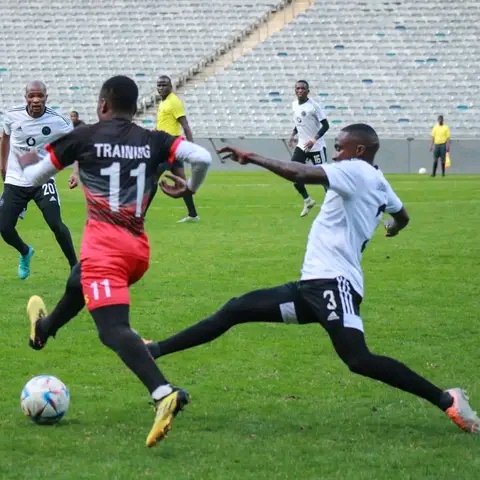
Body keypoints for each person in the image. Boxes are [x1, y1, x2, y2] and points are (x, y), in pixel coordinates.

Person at [145, 123, 479, 435]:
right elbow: (402, 215)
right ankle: (154, 350)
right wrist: (392, 227)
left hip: (334, 284)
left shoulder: (354, 170)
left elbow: (299, 172)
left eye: (340, 148)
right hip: (312, 289)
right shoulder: (378, 179)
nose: (336, 155)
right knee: (236, 309)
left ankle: (447, 399)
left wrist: (252, 156)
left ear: (359, 150)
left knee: (358, 359)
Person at [19, 75, 212, 447]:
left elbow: (33, 176)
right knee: (78, 281)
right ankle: (43, 330)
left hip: (104, 250)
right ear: (134, 107)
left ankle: (163, 393)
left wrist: (25, 157)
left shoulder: (85, 137)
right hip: (137, 251)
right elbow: (202, 157)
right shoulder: (154, 139)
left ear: (103, 104)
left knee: (112, 330)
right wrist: (191, 187)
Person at [0, 81, 78, 279]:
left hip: (43, 179)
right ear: (25, 97)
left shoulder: (58, 121)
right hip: (16, 180)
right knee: (4, 227)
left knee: (56, 224)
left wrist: (76, 172)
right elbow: (5, 138)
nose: (36, 100)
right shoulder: (12, 115)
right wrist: (3, 165)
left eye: (40, 96)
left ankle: (75, 267)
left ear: (46, 97)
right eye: (31, 96)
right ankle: (25, 252)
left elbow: (77, 143)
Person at [156, 75, 200, 223]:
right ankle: (193, 215)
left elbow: (185, 125)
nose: (161, 88)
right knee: (181, 182)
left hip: (169, 147)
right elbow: (163, 125)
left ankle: (138, 215)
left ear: (171, 86)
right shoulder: (163, 102)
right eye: (159, 85)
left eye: (164, 85)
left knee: (151, 178)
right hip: (166, 145)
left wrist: (193, 148)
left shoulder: (174, 102)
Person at [288, 80, 329, 217]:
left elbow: (326, 126)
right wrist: (293, 134)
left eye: (302, 88)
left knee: (324, 178)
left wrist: (314, 139)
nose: (300, 90)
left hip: (316, 147)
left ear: (308, 91)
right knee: (292, 173)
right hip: (302, 145)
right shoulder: (294, 105)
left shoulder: (314, 106)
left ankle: (332, 205)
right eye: (297, 88)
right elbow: (299, 122)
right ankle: (308, 200)